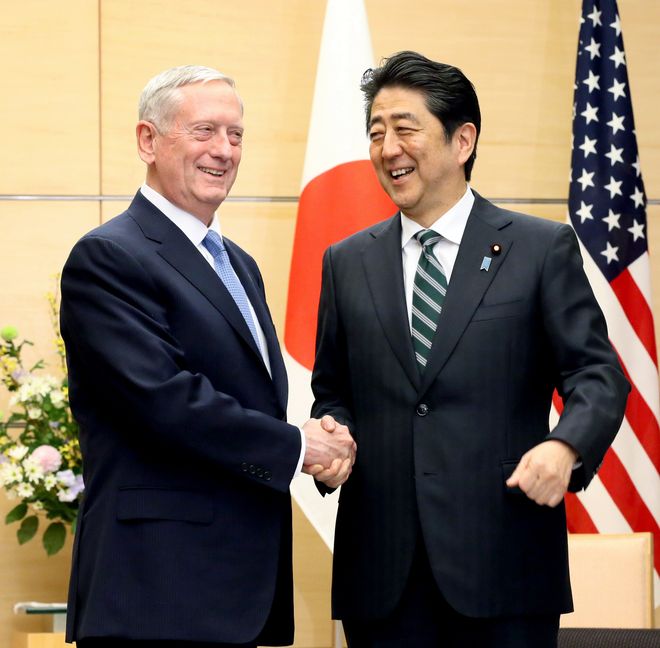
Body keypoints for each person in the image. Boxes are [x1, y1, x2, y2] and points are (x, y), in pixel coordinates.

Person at [311, 51, 630, 648]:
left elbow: (596, 374)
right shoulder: (345, 261)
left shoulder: (539, 249)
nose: (387, 148)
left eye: (405, 128)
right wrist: (336, 438)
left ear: (463, 141)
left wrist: (566, 447)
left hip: (503, 565)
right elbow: (335, 389)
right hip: (382, 576)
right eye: (376, 133)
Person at [60, 65, 355, 648]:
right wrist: (300, 447)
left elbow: (251, 396)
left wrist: (324, 440)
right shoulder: (109, 257)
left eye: (236, 134)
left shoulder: (238, 263)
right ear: (148, 140)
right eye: (204, 131)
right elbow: (165, 401)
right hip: (156, 591)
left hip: (236, 592)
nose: (224, 151)